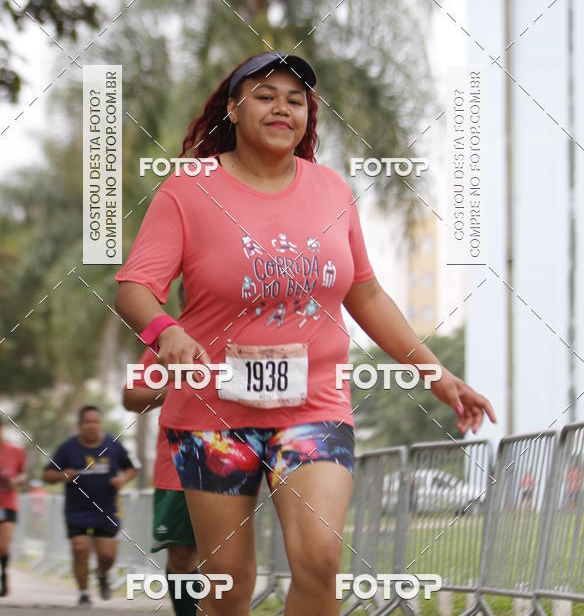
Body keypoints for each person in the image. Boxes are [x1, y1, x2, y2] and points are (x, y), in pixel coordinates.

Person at [114, 50, 496, 616]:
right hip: (212, 415)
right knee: (228, 583)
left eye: (296, 100)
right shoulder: (188, 191)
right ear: (234, 109)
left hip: (313, 406)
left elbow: (365, 293)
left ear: (308, 117)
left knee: (319, 559)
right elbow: (133, 288)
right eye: (265, 95)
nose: (282, 108)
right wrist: (165, 330)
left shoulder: (332, 191)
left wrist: (437, 376)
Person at [122, 283, 200, 616]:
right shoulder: (167, 340)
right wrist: (174, 389)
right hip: (178, 464)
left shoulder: (241, 332)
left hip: (233, 461)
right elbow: (130, 396)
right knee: (181, 554)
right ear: (186, 299)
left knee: (227, 555)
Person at [42, 405, 136, 608]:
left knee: (107, 555)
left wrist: (122, 479)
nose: (92, 426)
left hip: (107, 510)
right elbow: (47, 475)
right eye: (87, 422)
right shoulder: (67, 448)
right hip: (77, 511)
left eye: (96, 422)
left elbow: (131, 469)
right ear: (79, 425)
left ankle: (102, 575)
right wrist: (62, 475)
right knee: (80, 549)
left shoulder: (113, 445)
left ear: (100, 424)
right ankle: (84, 593)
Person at [0, 412, 27, 604]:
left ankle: (2, 573)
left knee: (2, 546)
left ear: (1, 428)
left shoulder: (15, 451)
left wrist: (16, 480)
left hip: (6, 505)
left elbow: (23, 474)